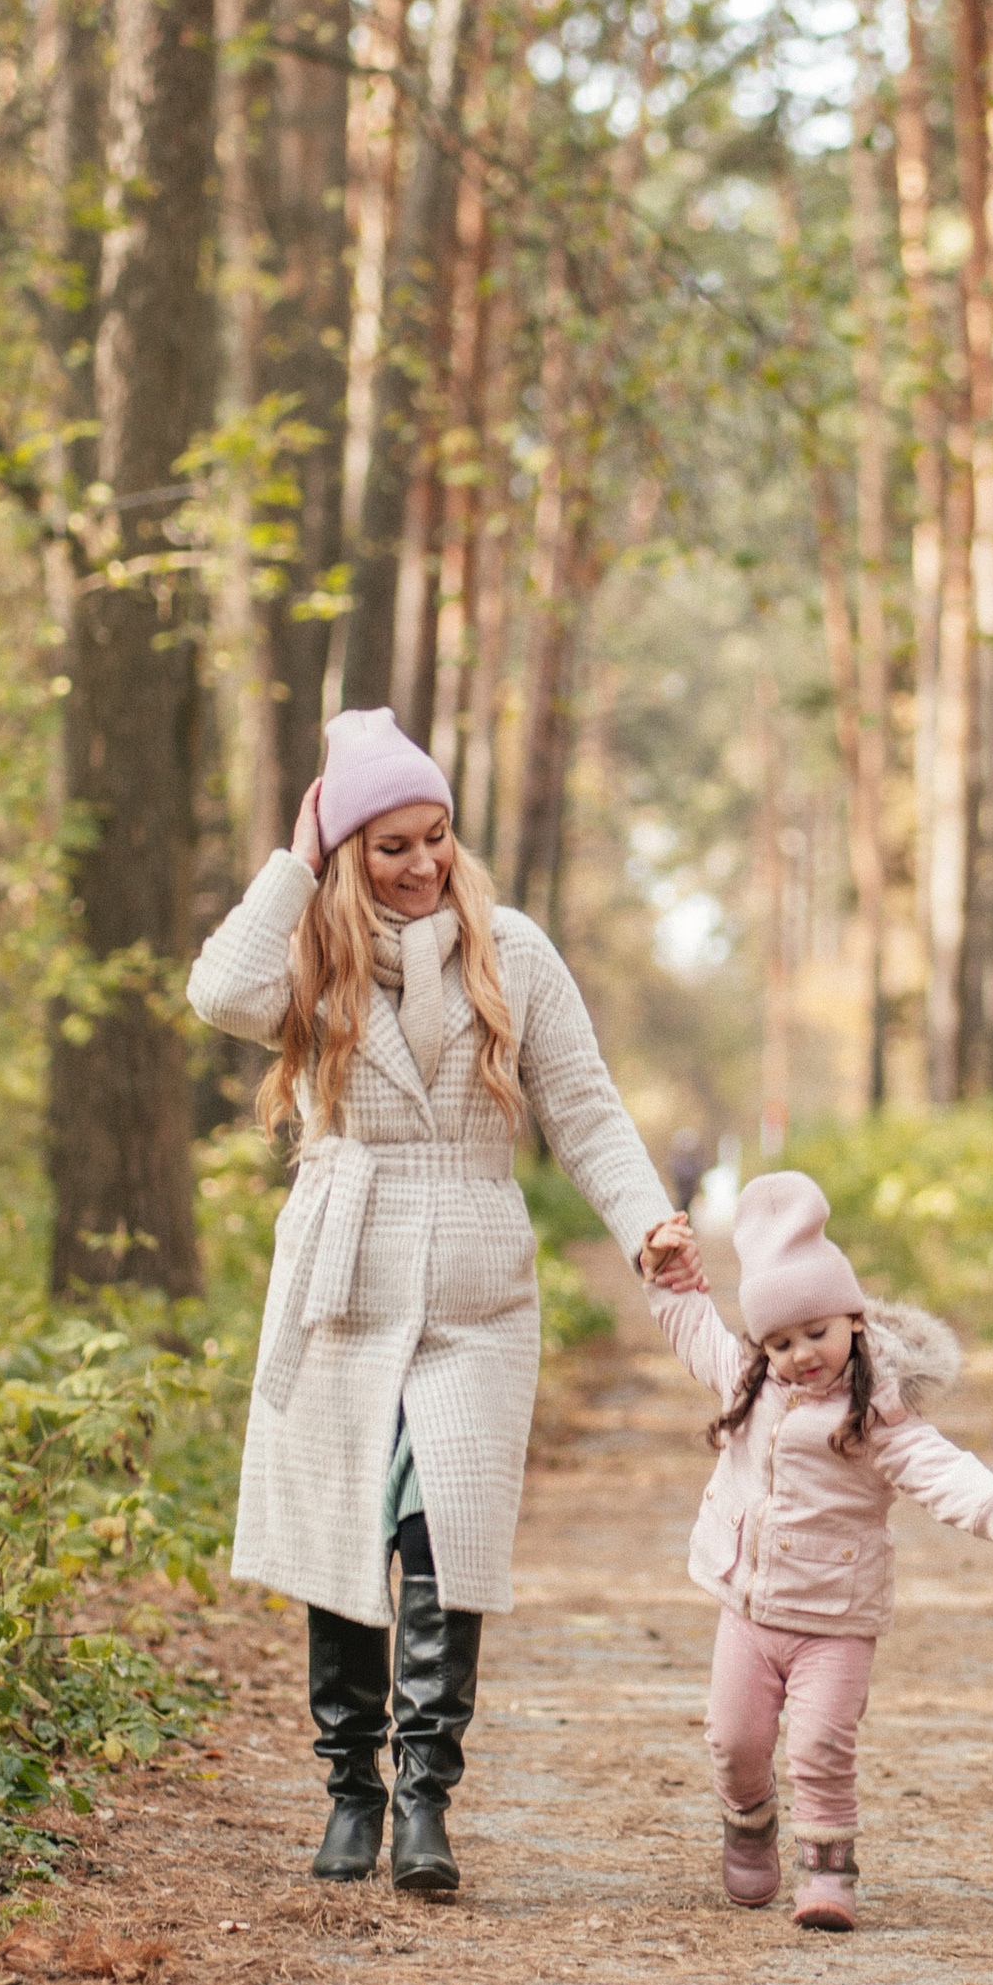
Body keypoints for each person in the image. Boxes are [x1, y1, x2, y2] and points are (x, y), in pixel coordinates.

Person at [187, 710, 695, 1898]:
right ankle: (349, 1795)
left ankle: (424, 1800)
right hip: (344, 1273)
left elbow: (582, 1105)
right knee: (343, 1533)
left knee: (440, 1532)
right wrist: (296, 855)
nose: (421, 864)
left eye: (436, 836)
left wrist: (646, 1225)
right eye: (390, 845)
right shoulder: (311, 952)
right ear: (346, 851)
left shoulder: (508, 949)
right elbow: (218, 991)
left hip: (474, 1281)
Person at [645, 1170, 993, 1931]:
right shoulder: (745, 1383)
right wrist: (667, 1274)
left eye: (816, 1333)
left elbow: (938, 1468)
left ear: (854, 1321)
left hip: (835, 1618)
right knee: (734, 1741)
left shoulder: (875, 1412)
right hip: (749, 1609)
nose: (801, 1354)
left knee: (822, 1744)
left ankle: (828, 1870)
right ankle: (749, 1820)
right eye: (780, 1342)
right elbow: (692, 1326)